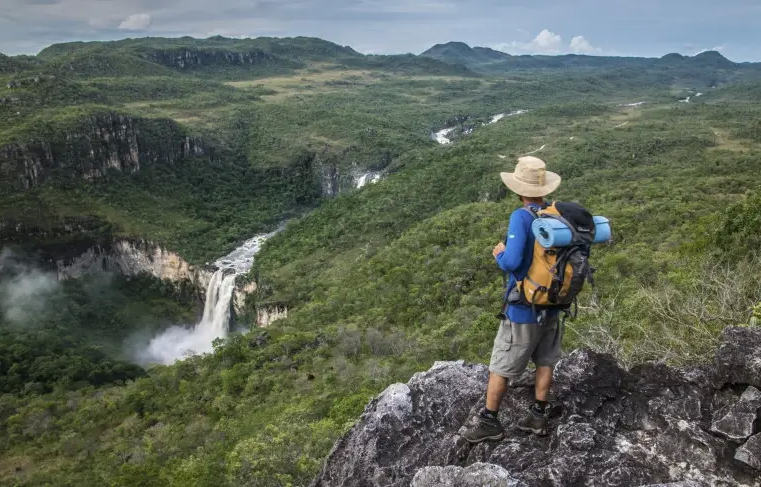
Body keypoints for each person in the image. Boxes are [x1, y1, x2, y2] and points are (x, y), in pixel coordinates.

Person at [463, 156, 564, 443]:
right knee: (545, 361)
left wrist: (498, 253)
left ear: (519, 190)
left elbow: (513, 261)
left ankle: (489, 422)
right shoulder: (554, 215)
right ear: (543, 188)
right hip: (553, 304)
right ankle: (538, 415)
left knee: (500, 366)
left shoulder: (522, 216)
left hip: (524, 308)